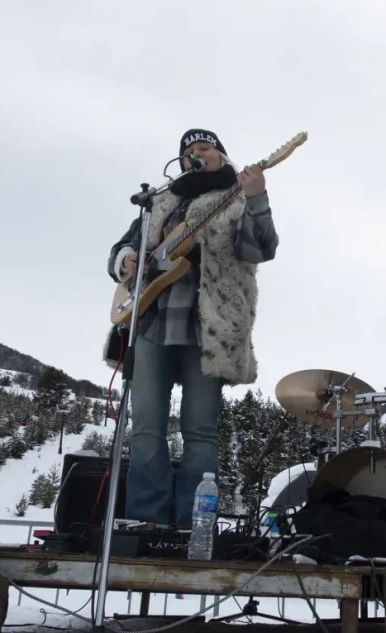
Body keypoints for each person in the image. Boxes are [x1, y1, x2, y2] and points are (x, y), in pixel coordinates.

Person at [106, 128, 279, 530]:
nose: (197, 155)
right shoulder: (160, 201)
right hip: (152, 321)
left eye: (205, 148)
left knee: (200, 431)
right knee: (145, 428)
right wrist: (128, 259)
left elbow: (261, 248)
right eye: (189, 152)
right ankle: (145, 522)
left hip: (207, 327)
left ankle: (193, 525)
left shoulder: (235, 198)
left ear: (221, 156)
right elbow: (121, 249)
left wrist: (257, 197)